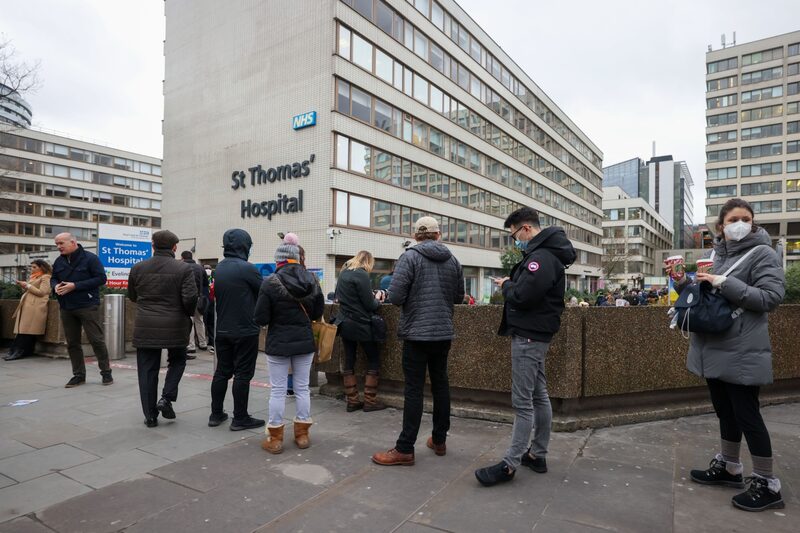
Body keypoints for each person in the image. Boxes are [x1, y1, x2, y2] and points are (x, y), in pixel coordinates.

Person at [667, 198, 785, 512]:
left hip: (743, 348)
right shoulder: (716, 254)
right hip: (715, 346)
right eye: (733, 219)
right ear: (721, 226)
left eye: (746, 218)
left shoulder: (762, 253)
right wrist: (682, 283)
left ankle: (766, 482)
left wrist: (726, 282)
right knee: (725, 411)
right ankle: (730, 466)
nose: (740, 224)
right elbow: (707, 300)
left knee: (748, 415)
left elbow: (771, 297)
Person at [475, 207, 575, 486]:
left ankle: (510, 464)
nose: (515, 241)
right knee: (539, 395)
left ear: (527, 229)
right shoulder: (548, 255)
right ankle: (537, 454)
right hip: (537, 333)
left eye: (514, 235)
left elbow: (522, 296)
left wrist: (507, 285)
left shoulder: (541, 257)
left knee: (523, 402)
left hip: (529, 335)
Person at [372, 216, 465, 466]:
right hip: (443, 332)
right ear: (438, 235)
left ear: (415, 236)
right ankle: (439, 439)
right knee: (440, 385)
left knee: (414, 389)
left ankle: (404, 448)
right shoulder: (453, 260)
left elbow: (397, 296)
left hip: (416, 333)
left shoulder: (409, 258)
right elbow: (458, 297)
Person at [254, 233, 324, 454]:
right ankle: (302, 435)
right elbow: (318, 312)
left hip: (279, 343)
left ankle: (275, 439)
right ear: (297, 258)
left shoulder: (271, 282)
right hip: (304, 342)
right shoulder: (312, 279)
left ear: (279, 260)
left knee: (278, 390)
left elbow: (261, 318)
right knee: (302, 388)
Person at [128, 231, 198, 428]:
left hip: (146, 325)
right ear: (174, 247)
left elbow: (132, 296)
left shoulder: (138, 268)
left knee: (147, 370)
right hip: (176, 324)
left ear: (153, 246)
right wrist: (185, 313)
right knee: (178, 360)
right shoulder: (183, 268)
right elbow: (190, 298)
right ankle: (166, 398)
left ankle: (150, 416)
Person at [209, 229, 265, 431]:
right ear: (245, 246)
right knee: (242, 374)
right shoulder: (247, 269)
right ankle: (240, 417)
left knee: (222, 372)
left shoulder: (220, 268)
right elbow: (265, 291)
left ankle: (216, 414)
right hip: (245, 330)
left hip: (222, 330)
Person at [51, 233, 112, 387]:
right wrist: (55, 286)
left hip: (87, 305)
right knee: (72, 343)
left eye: (61, 243)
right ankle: (78, 375)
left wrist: (75, 286)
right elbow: (53, 278)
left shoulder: (90, 258)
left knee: (96, 340)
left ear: (73, 242)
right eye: (57, 244)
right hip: (66, 306)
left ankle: (106, 373)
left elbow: (101, 279)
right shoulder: (59, 261)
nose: (59, 247)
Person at [336, 250, 387, 412]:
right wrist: (378, 298)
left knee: (349, 360)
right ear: (368, 262)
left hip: (344, 323)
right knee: (373, 359)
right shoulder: (362, 274)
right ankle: (370, 402)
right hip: (361, 324)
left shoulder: (344, 273)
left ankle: (352, 401)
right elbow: (370, 305)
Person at [5, 260, 52, 361]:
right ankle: (19, 351)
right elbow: (30, 290)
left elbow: (43, 292)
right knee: (24, 330)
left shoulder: (46, 277)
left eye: (34, 267)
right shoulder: (35, 277)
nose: (32, 269)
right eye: (32, 267)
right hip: (29, 306)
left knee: (26, 330)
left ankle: (18, 351)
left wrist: (27, 285)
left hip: (35, 307)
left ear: (42, 267)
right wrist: (24, 285)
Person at [181, 251, 208, 357]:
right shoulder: (200, 268)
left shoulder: (182, 267)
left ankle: (191, 346)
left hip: (188, 298)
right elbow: (206, 283)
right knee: (200, 320)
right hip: (199, 298)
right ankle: (203, 343)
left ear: (183, 258)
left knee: (190, 322)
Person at [203, 265, 215, 354]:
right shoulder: (214, 277)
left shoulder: (203, 277)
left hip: (205, 301)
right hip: (213, 301)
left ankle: (205, 340)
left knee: (205, 322)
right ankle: (211, 340)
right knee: (211, 323)